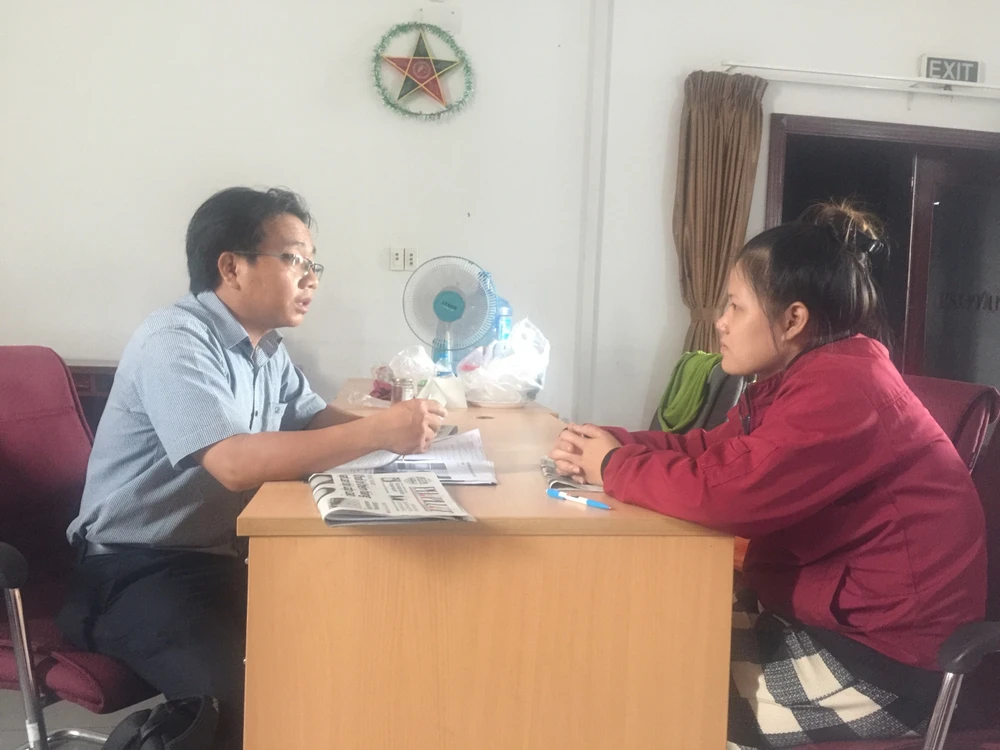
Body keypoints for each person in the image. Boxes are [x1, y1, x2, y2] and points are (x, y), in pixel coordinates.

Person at [549, 202, 987, 748]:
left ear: (793, 320)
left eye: (735, 306)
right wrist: (611, 442)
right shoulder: (802, 380)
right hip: (827, 623)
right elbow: (713, 451)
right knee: (638, 640)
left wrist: (613, 465)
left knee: (663, 695)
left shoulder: (845, 390)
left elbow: (727, 493)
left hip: (882, 666)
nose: (720, 321)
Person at [57, 187, 446, 749]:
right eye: (294, 259)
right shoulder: (176, 340)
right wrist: (380, 431)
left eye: (313, 264)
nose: (311, 279)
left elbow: (314, 420)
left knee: (341, 642)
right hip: (132, 571)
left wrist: (412, 438)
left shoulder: (265, 350)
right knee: (253, 701)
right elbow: (234, 463)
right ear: (231, 267)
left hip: (214, 563)